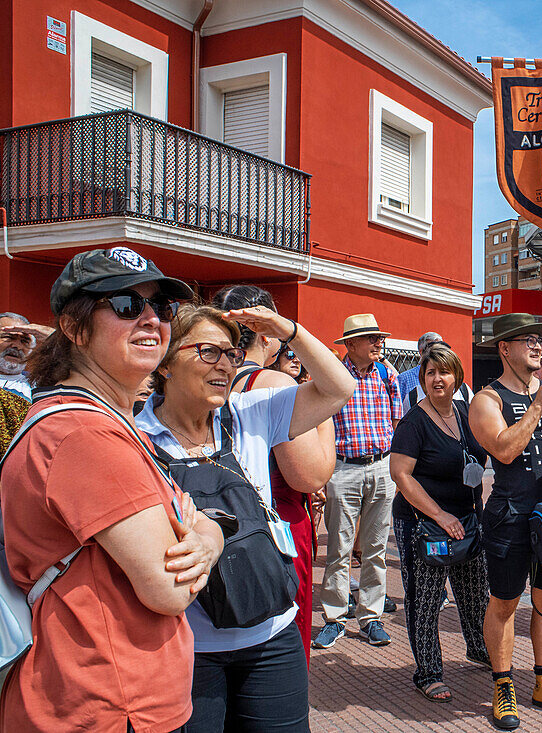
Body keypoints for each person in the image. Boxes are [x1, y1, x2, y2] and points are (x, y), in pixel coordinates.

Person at [1, 247, 223, 731]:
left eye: (161, 308)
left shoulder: (100, 424)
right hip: (108, 704)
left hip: (103, 695)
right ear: (76, 330)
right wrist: (203, 537)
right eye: (126, 306)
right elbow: (170, 588)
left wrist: (207, 537)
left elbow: (199, 523)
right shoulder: (86, 436)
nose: (151, 320)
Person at [137, 301, 353, 731]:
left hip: (273, 636)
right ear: (165, 363)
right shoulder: (135, 436)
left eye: (232, 353)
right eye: (208, 352)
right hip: (187, 647)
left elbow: (338, 388)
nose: (225, 365)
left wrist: (286, 329)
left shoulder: (250, 412)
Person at [468, 313, 542, 730]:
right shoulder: (488, 399)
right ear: (504, 348)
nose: (538, 347)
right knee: (504, 602)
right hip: (509, 514)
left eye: (540, 339)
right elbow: (503, 450)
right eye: (527, 341)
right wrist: (537, 406)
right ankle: (503, 685)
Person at [212, 285, 336, 665]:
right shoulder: (272, 384)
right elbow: (308, 476)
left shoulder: (212, 382)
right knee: (280, 644)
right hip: (276, 521)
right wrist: (324, 418)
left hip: (223, 521)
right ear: (267, 332)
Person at [390, 343, 491, 702]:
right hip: (424, 523)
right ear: (422, 378)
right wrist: (440, 515)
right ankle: (428, 671)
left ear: (457, 377)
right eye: (430, 372)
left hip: (466, 520)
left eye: (444, 372)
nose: (437, 379)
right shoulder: (414, 422)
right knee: (426, 601)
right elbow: (401, 476)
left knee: (476, 595)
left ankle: (479, 648)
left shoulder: (465, 413)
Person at [315, 314, 404, 649]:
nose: (378, 343)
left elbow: (397, 424)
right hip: (343, 469)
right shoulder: (333, 377)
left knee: (376, 549)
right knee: (338, 549)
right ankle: (335, 618)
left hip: (381, 467)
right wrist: (322, 474)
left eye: (378, 337)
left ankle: (370, 618)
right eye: (371, 338)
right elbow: (320, 425)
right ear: (350, 344)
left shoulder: (387, 374)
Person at [0, 311, 51, 399]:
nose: (17, 346)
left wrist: (52, 336)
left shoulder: (40, 386)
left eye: (24, 341)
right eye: (9, 337)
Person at [397, 331, 443, 402]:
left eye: (441, 348)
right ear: (421, 352)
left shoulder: (449, 377)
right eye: (433, 348)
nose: (438, 352)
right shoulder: (404, 379)